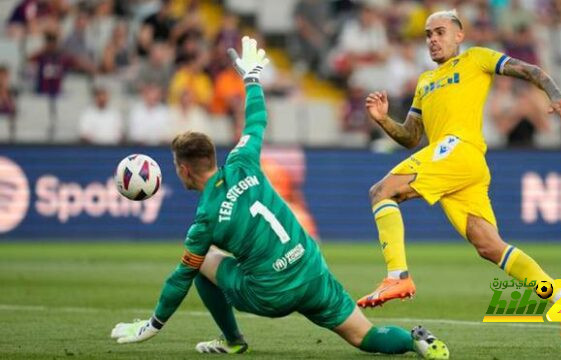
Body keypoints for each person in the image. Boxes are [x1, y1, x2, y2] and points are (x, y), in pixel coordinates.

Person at [110, 36, 449, 359]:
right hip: (310, 267)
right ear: (212, 157)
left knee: (202, 265)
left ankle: (233, 342)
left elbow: (179, 278)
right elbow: (256, 119)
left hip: (271, 294)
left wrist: (153, 324)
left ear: (184, 170)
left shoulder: (205, 219)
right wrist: (252, 78)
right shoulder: (242, 160)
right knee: (363, 336)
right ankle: (414, 339)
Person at [357, 10, 561, 341]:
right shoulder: (425, 81)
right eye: (428, 34)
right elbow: (410, 136)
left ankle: (397, 275)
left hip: (460, 150)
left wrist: (555, 93)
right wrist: (382, 119)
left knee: (381, 192)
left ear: (459, 36)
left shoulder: (476, 59)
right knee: (489, 245)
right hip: (456, 164)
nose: (433, 39)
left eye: (440, 32)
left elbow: (529, 69)